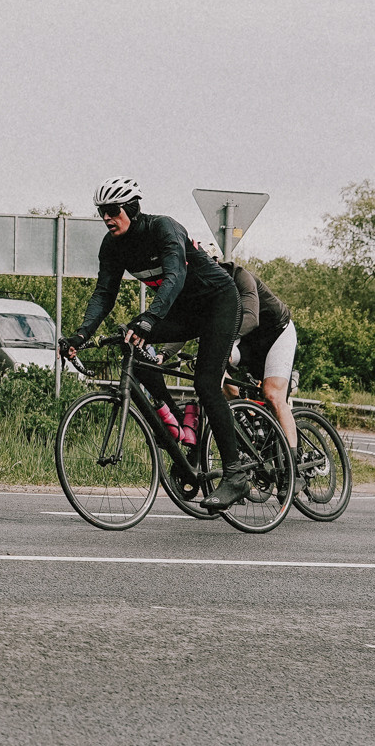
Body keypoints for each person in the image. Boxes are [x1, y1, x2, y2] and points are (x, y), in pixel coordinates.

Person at [60, 178, 254, 508]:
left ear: (131, 210)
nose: (106, 218)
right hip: (183, 311)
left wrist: (149, 319)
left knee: (208, 385)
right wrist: (81, 335)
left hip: (219, 303)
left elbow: (175, 276)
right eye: (101, 212)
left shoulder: (163, 228)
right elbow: (104, 295)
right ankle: (180, 428)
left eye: (112, 211)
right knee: (130, 340)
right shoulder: (112, 246)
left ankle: (235, 475)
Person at [216, 243, 298, 454]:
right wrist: (163, 353)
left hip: (276, 334)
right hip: (247, 342)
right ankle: (242, 411)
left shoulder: (240, 276)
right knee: (212, 365)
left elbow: (251, 319)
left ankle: (294, 462)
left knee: (272, 395)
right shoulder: (206, 292)